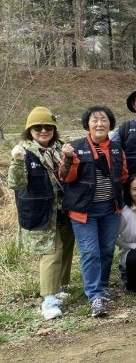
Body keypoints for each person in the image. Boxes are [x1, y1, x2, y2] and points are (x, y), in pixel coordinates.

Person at [59, 106, 128, 317]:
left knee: (106, 250)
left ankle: (102, 286)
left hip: (110, 209)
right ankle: (94, 294)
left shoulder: (116, 148)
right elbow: (65, 177)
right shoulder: (75, 147)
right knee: (90, 252)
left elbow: (124, 176)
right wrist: (68, 158)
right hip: (83, 212)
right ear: (87, 124)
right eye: (94, 120)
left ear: (110, 124)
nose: (99, 124)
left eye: (104, 120)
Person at [7, 107, 75, 320]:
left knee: (66, 248)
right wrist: (17, 161)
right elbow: (15, 184)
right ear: (29, 130)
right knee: (52, 252)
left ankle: (60, 286)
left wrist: (69, 158)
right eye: (38, 127)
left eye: (48, 127)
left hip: (65, 210)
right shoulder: (23, 151)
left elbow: (68, 176)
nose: (44, 131)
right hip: (41, 212)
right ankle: (49, 300)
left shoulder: (60, 148)